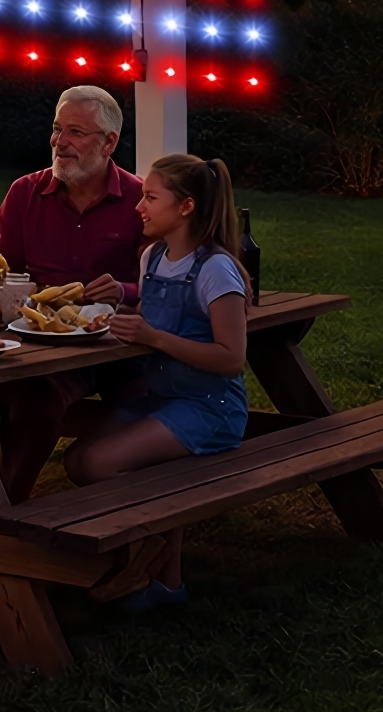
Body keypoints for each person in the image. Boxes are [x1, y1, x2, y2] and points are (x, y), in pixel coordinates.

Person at [64, 154, 249, 611]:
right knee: (76, 460)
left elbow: (232, 358)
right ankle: (164, 576)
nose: (138, 208)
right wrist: (120, 319)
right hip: (161, 397)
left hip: (209, 407)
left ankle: (142, 563)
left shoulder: (215, 270)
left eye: (150, 198)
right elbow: (151, 323)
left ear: (186, 207)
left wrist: (154, 337)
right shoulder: (153, 257)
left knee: (101, 463)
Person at [0, 85, 146, 501]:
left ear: (109, 142)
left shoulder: (139, 199)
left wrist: (125, 289)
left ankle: (10, 504)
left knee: (44, 394)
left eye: (75, 132)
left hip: (113, 346)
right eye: (57, 129)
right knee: (2, 392)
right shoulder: (24, 193)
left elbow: (165, 280)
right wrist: (22, 296)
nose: (60, 142)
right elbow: (3, 273)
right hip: (33, 339)